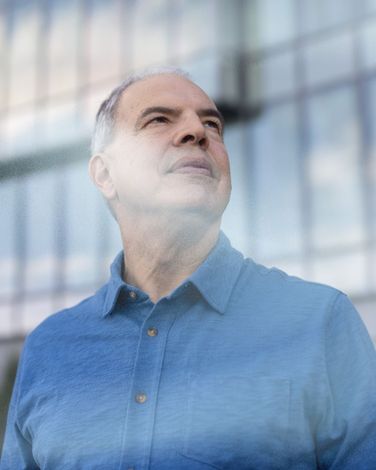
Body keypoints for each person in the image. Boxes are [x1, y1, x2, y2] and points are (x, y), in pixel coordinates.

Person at [1, 66, 376, 470]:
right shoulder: (49, 348)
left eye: (212, 124)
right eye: (159, 119)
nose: (197, 131)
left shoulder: (320, 322)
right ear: (105, 175)